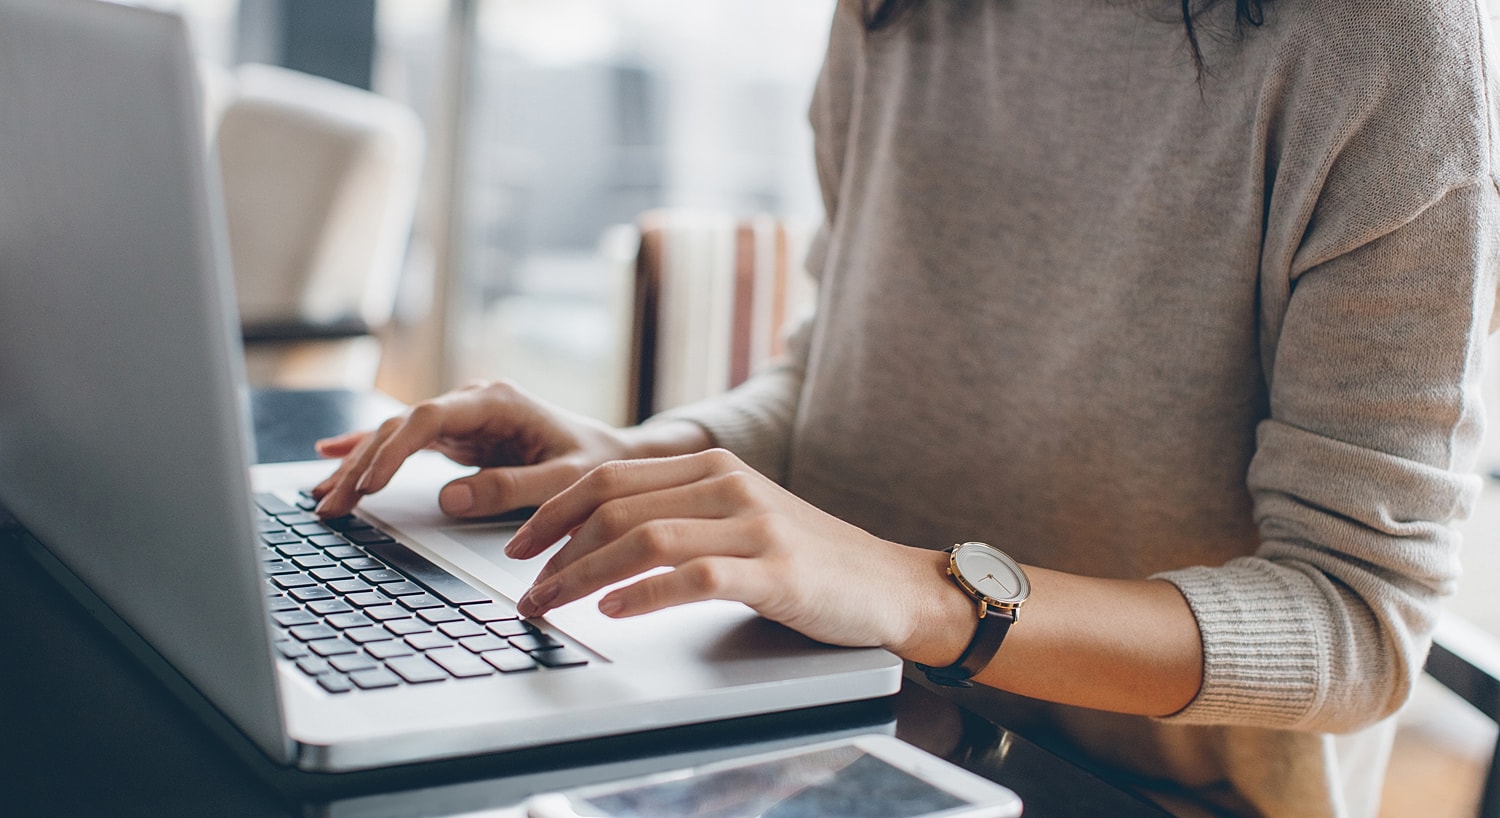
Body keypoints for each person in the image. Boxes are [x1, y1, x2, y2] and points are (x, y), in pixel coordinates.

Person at [313, 0, 1500, 814]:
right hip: (821, 722)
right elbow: (834, 373)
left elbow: (1359, 620)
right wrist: (642, 457)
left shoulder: (1386, 41)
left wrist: (929, 594)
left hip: (1130, 789)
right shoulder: (893, 9)